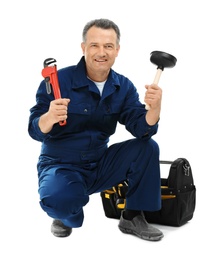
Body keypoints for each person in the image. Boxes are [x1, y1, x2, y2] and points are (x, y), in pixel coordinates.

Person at [28, 18, 163, 241]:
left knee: (146, 147)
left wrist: (155, 109)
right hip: (61, 165)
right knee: (62, 202)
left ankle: (132, 215)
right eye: (95, 45)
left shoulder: (123, 86)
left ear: (117, 50)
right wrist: (49, 117)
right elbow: (34, 130)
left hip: (100, 164)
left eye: (108, 46)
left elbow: (141, 129)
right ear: (84, 48)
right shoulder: (59, 81)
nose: (102, 52)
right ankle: (65, 210)